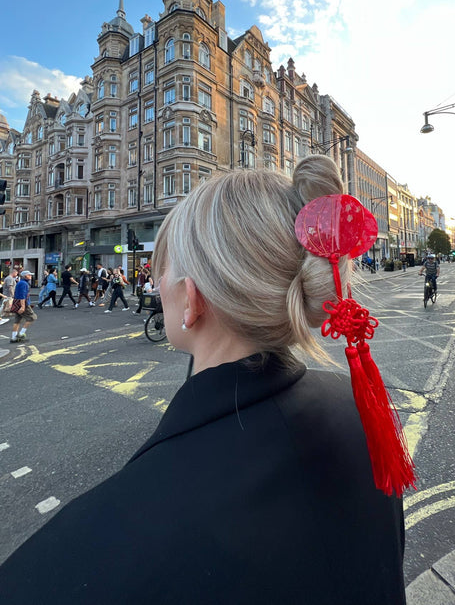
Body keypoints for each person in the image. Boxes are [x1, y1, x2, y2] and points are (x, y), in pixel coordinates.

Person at [0, 155, 407, 604]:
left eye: (162, 271)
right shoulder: (364, 412)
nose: (155, 287)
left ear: (192, 299)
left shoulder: (88, 549)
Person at [10, 270, 36, 344]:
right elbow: (22, 296)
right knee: (32, 317)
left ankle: (14, 337)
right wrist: (23, 306)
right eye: (29, 275)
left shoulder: (21, 283)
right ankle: (21, 334)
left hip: (17, 303)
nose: (31, 276)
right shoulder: (24, 284)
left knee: (17, 320)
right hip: (23, 304)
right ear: (25, 276)